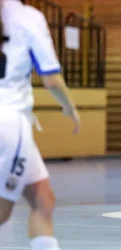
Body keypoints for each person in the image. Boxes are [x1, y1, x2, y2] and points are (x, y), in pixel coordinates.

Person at [0, 1, 80, 249]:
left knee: (43, 199)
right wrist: (70, 106)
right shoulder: (26, 17)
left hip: (12, 125)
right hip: (9, 121)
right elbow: (51, 79)